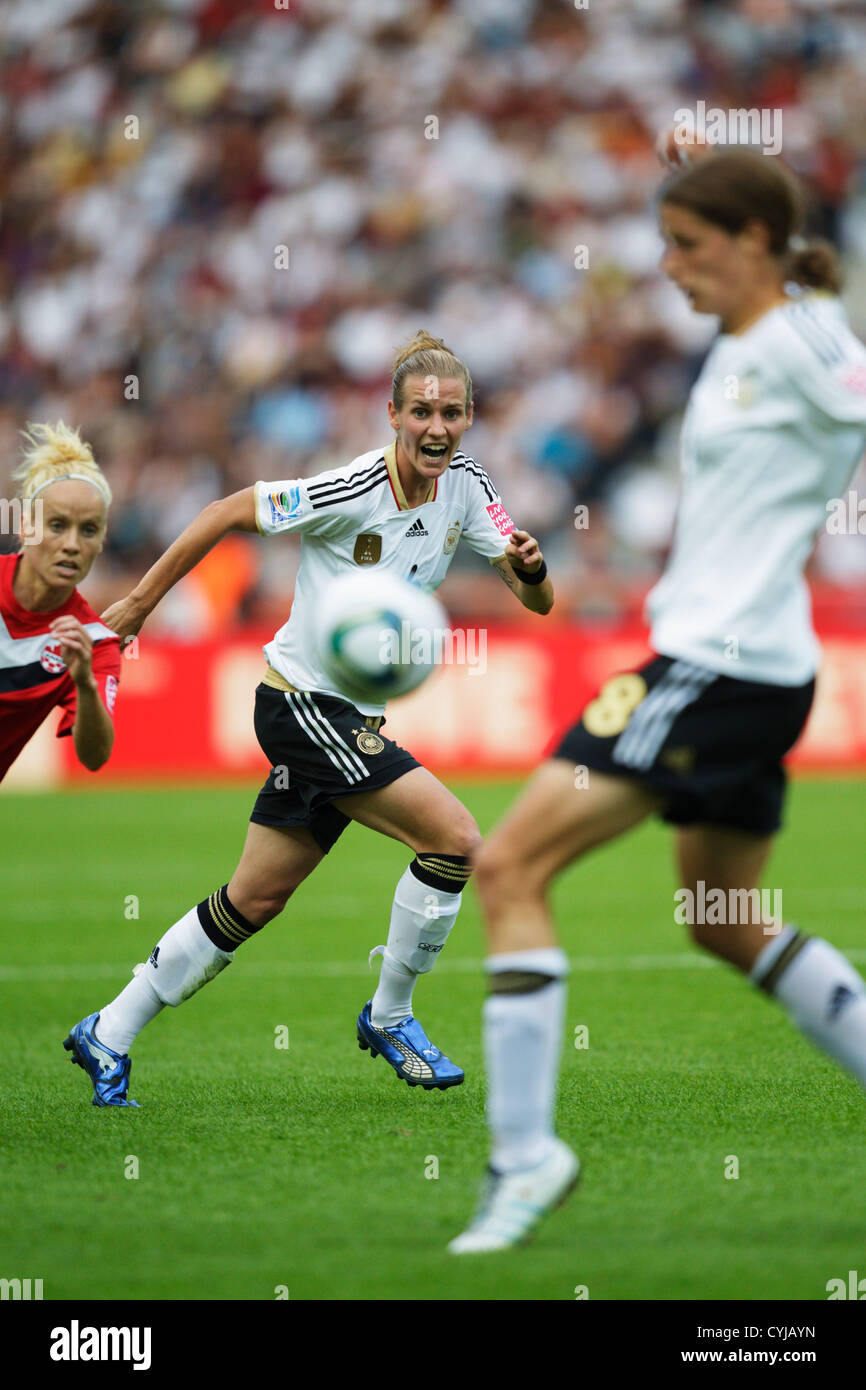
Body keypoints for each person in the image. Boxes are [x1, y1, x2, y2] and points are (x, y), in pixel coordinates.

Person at [449, 146, 866, 1253]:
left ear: (753, 243)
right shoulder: (747, 342)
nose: (669, 268)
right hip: (745, 665)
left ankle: (525, 1158)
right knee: (720, 919)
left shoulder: (803, 337)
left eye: (687, 246)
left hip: (710, 666)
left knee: (507, 866)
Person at [63, 331, 554, 1107]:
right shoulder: (350, 488)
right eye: (420, 410)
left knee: (253, 899)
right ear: (391, 413)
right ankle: (391, 1015)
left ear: (469, 419)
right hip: (300, 706)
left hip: (349, 716)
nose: (436, 426)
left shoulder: (467, 483)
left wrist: (531, 570)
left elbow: (537, 599)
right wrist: (135, 608)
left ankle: (109, 1030)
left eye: (452, 413)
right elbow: (226, 509)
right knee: (456, 840)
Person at [0, 422, 119, 785]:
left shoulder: (94, 643)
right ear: (25, 527)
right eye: (56, 525)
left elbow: (95, 757)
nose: (72, 544)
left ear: (100, 542)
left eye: (88, 530)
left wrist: (84, 683)